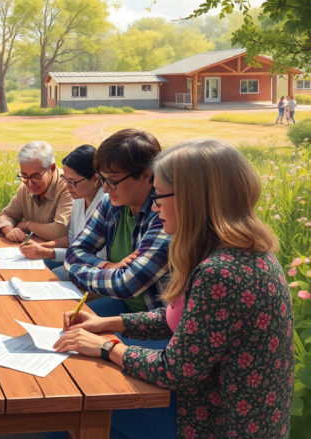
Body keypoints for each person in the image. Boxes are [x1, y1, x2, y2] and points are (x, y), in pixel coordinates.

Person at [55, 139, 293, 439]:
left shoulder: (220, 272)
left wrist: (106, 346)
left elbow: (176, 369)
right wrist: (107, 323)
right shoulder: (237, 252)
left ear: (194, 198)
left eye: (159, 196)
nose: (154, 206)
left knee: (68, 409)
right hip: (214, 408)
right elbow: (179, 321)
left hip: (211, 422)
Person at [64, 129, 171, 350]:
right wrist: (107, 266)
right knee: (66, 331)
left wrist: (76, 270)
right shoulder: (110, 204)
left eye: (112, 181)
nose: (104, 188)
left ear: (146, 174)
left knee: (87, 352)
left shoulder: (166, 213)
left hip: (158, 322)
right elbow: (74, 252)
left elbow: (127, 285)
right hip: (122, 307)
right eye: (102, 179)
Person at [19, 145, 105, 277]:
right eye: (65, 179)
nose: (66, 186)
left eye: (72, 182)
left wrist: (49, 252)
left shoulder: (107, 205)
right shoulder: (78, 199)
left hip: (95, 270)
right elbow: (72, 240)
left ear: (95, 178)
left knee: (47, 276)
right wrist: (42, 248)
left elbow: (97, 256)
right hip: (75, 260)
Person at [0, 141, 73, 270]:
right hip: (30, 251)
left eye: (36, 176)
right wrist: (10, 231)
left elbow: (59, 230)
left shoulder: (67, 186)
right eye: (24, 176)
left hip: (57, 256)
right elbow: (6, 215)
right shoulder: (25, 186)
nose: (30, 183)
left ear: (52, 169)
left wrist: (26, 225)